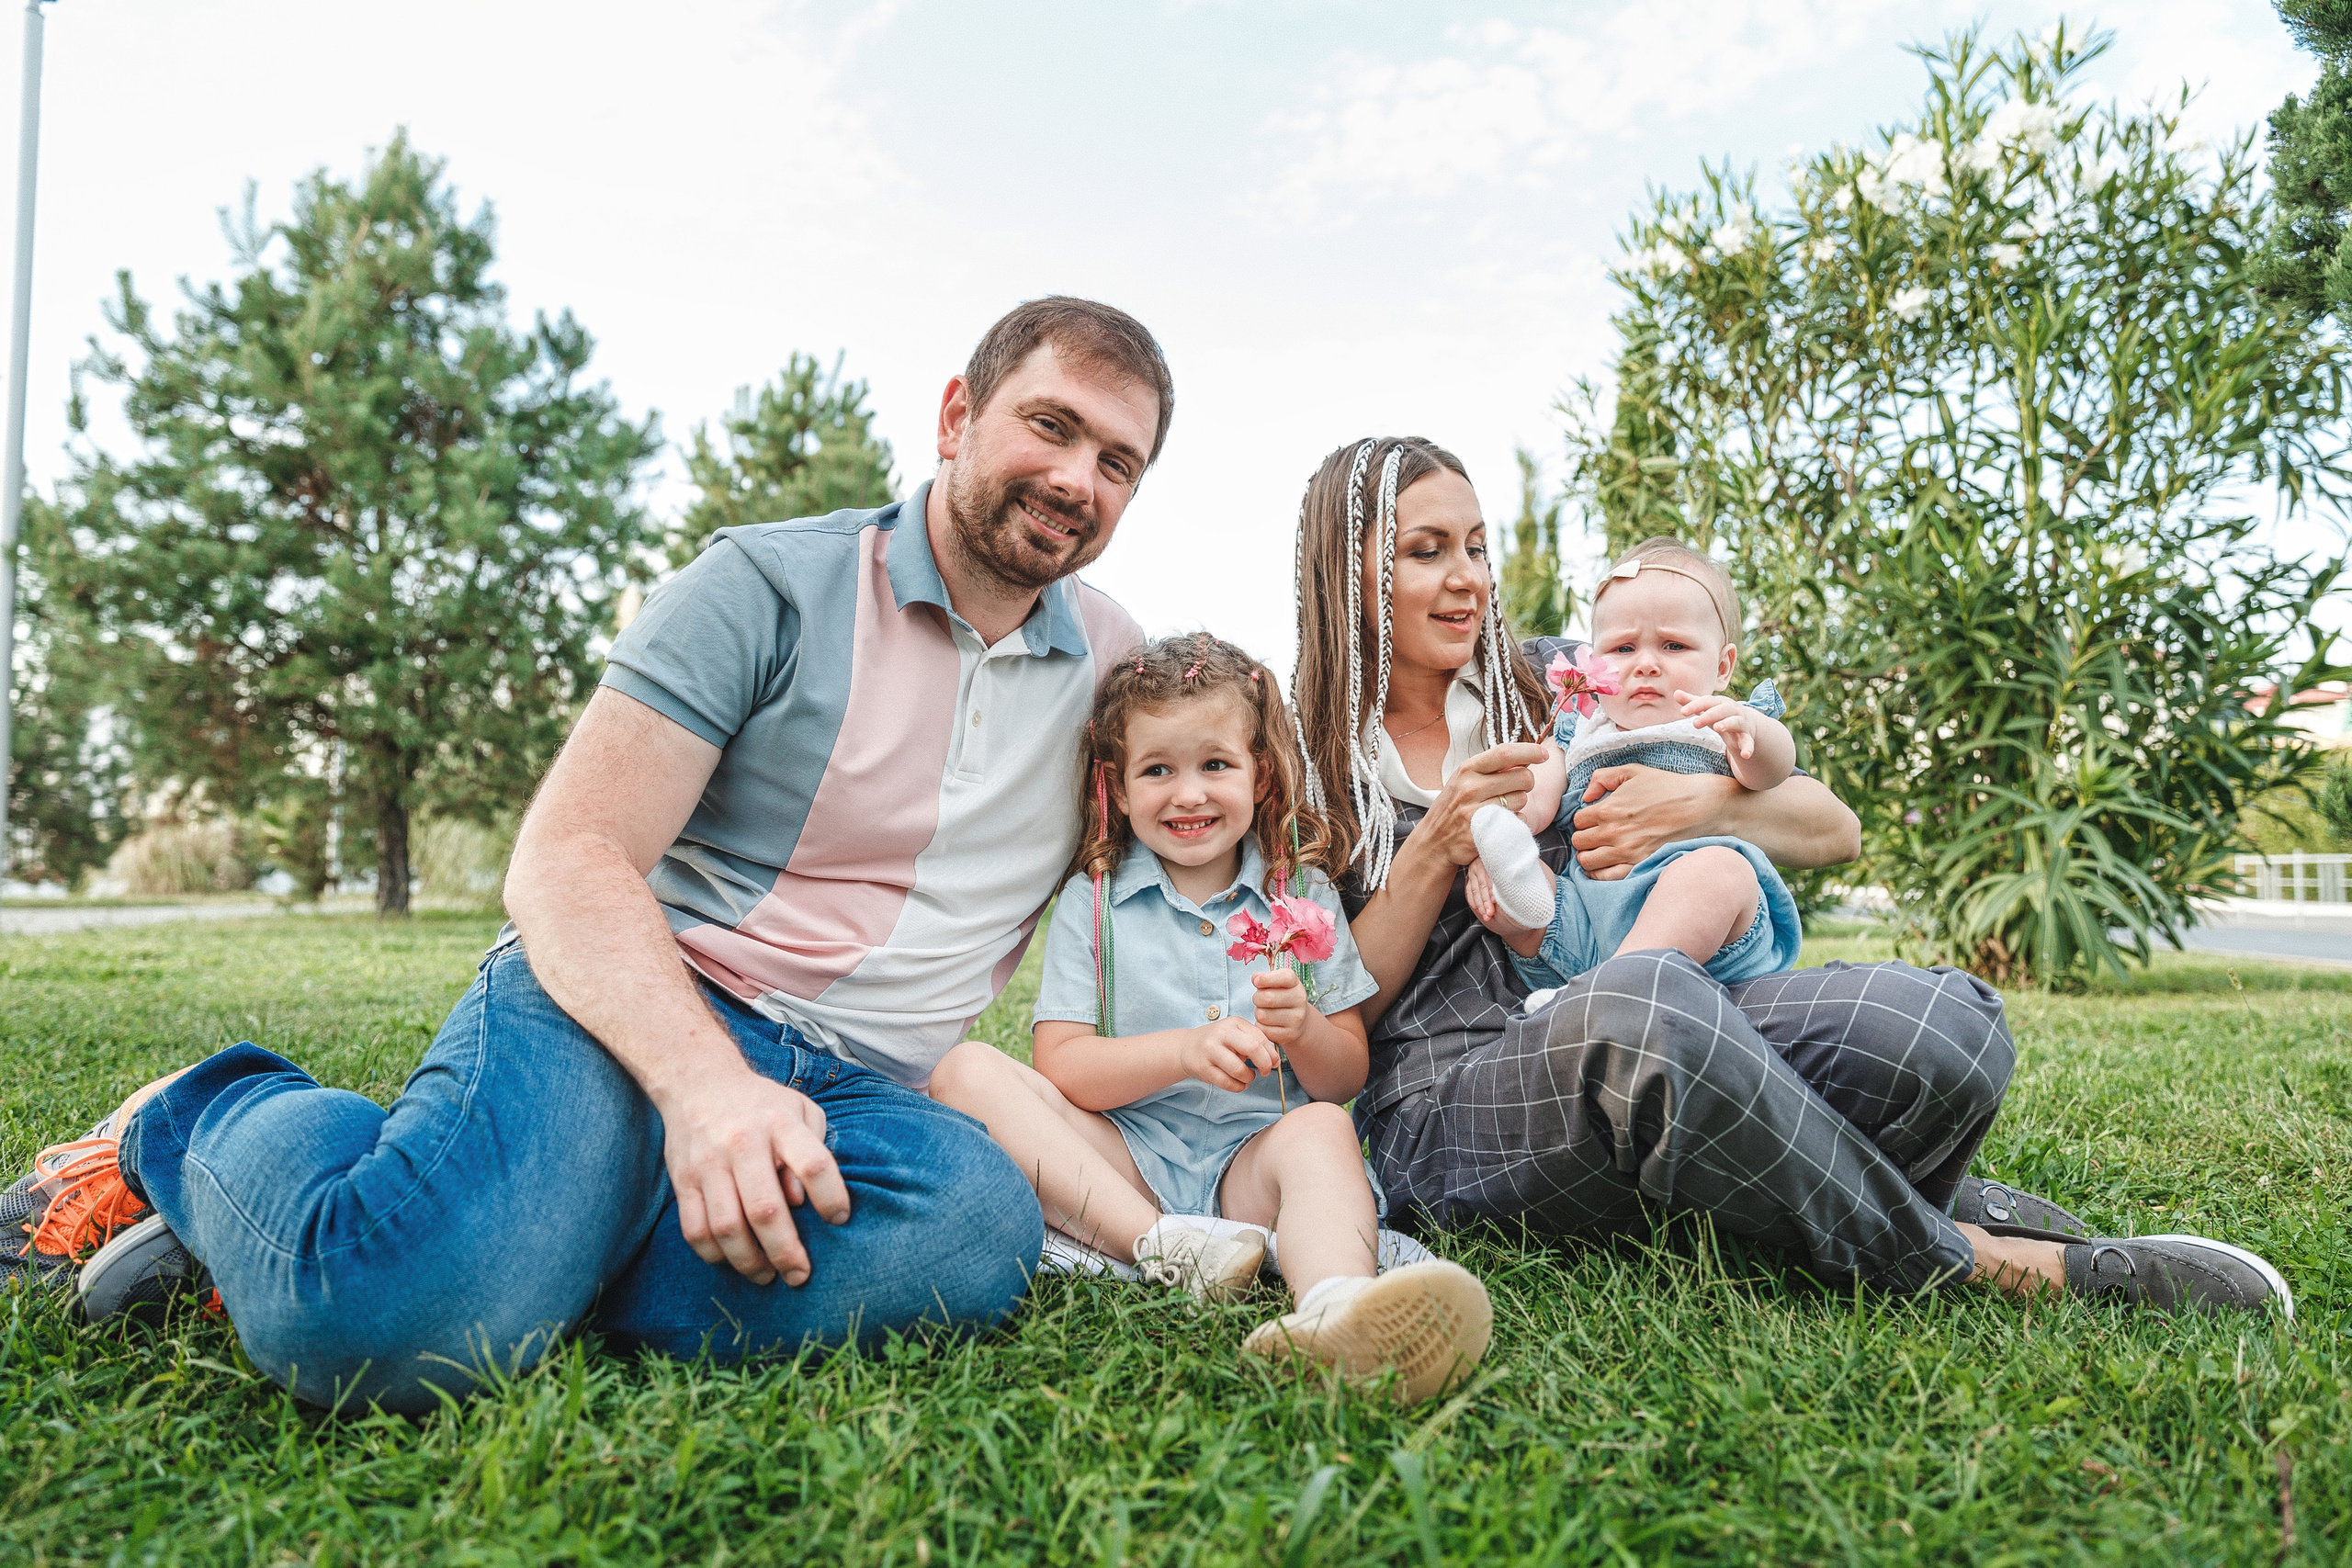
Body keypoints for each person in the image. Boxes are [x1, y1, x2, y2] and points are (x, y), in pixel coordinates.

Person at [1, 297, 1175, 1411]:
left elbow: (1220, 820)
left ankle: (492, 1243)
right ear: (959, 415)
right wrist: (708, 1091)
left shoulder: (1119, 671)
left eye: (1118, 462)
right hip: (630, 1008)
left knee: (976, 1233)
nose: (1078, 479)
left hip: (860, 1095)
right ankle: (192, 1118)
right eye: (1051, 425)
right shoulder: (769, 584)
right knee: (375, 1332)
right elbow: (568, 854)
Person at [1283, 434, 2293, 1317]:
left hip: (1668, 1029)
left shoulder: (1555, 683)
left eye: (1474, 546)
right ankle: (1966, 1256)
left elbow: (1832, 828)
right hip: (1453, 1106)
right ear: (1349, 574)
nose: (1467, 577)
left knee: (1943, 1029)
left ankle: (1806, 1188)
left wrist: (1707, 805)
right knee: (1639, 1004)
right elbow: (1334, 1032)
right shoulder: (1300, 763)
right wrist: (1433, 845)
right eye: (1425, 552)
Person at [931, 635, 1492, 1404]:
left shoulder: (1303, 899)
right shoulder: (1095, 904)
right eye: (1157, 769)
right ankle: (1163, 1246)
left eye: (1214, 765)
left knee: (1323, 1132)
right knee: (964, 1070)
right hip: (1126, 1157)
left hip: (1247, 1167)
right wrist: (1185, 1051)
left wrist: (1305, 1030)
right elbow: (1065, 1066)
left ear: (1259, 775)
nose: (1187, 793)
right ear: (1119, 790)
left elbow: (1344, 1077)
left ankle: (1334, 1306)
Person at [1467, 536, 1803, 987]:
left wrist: (1753, 732)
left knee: (1719, 871)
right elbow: (1539, 797)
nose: (1645, 664)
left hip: (1709, 938)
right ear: (1593, 664)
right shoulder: (1578, 728)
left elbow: (1772, 770)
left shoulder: (1716, 721)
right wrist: (1503, 834)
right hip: (1589, 924)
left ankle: (1603, 997)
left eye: (1673, 646)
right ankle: (1597, 993)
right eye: (1623, 649)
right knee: (1520, 890)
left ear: (1723, 668)